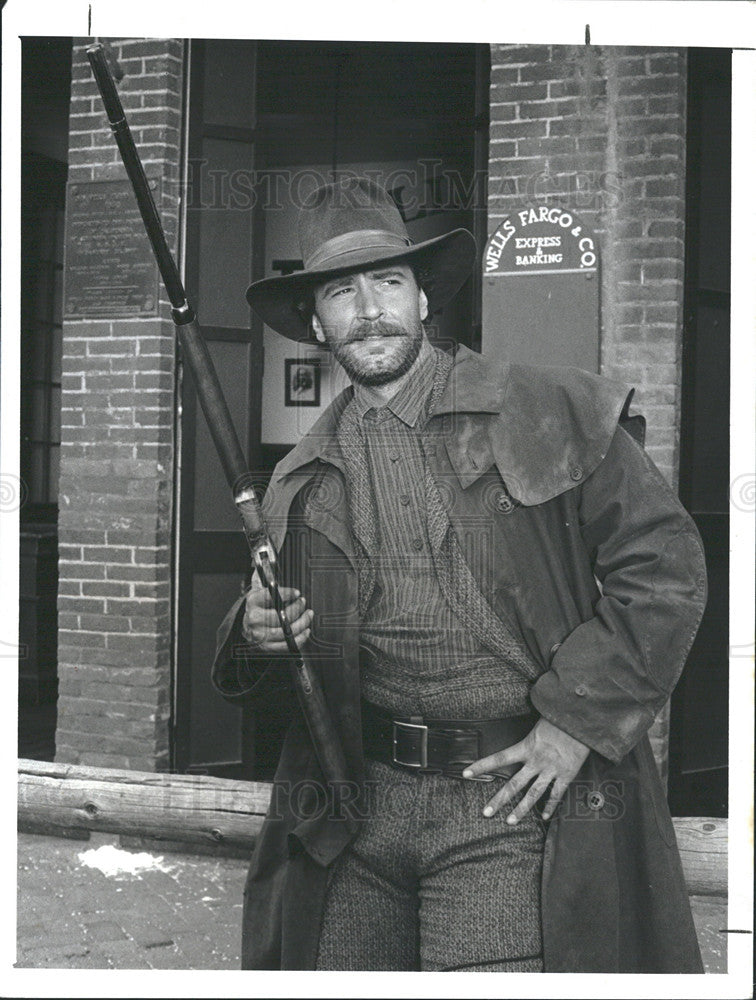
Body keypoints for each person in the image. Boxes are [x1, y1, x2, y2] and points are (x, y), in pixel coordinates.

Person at [212, 175, 708, 972]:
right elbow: (271, 664)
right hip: (359, 809)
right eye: (341, 292)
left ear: (423, 301)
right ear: (315, 321)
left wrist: (576, 721)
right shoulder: (297, 480)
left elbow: (665, 569)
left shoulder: (546, 410)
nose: (369, 309)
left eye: (388, 283)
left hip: (504, 802)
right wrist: (255, 630)